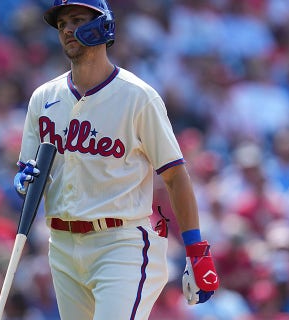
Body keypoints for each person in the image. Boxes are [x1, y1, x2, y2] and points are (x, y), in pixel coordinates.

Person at [13, 0, 219, 319]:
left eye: (78, 19)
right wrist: (24, 179)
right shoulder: (44, 97)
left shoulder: (138, 96)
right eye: (62, 22)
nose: (67, 28)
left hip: (119, 244)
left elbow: (175, 175)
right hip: (63, 245)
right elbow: (31, 169)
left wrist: (195, 248)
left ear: (103, 26)